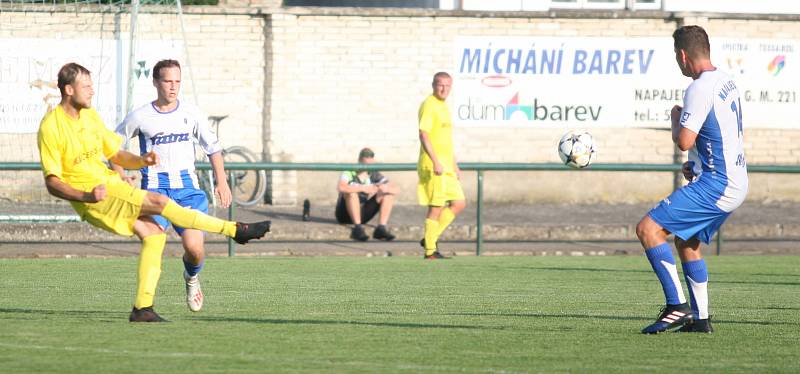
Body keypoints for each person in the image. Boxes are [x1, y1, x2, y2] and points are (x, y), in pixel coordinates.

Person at [37, 62, 271, 323]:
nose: (92, 91)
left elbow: (114, 153)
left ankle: (143, 308)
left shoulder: (90, 116)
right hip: (98, 194)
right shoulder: (51, 126)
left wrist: (140, 161)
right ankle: (235, 230)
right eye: (87, 86)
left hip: (141, 187)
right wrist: (87, 196)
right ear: (69, 89)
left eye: (177, 81)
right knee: (160, 202)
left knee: (154, 236)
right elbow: (52, 182)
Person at [636, 25, 748, 334]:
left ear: (683, 56)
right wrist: (697, 165)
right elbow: (721, 133)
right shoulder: (726, 82)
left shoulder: (699, 88)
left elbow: (684, 140)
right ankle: (701, 320)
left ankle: (676, 307)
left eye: (676, 57)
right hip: (732, 179)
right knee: (687, 241)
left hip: (719, 184)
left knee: (648, 229)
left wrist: (675, 118)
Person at [112, 59, 229, 314]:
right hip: (154, 193)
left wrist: (222, 182)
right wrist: (121, 178)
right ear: (155, 82)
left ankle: (191, 277)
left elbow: (213, 148)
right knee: (153, 243)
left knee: (195, 249)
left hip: (188, 192)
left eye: (177, 81)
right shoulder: (140, 116)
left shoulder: (191, 113)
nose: (173, 87)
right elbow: (112, 148)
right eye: (167, 81)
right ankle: (145, 306)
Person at [417, 72, 466, 260]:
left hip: (447, 167)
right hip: (433, 166)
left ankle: (430, 238)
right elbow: (424, 134)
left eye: (447, 85)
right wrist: (436, 161)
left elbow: (445, 140)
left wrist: (454, 164)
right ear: (433, 85)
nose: (444, 89)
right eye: (440, 85)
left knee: (459, 203)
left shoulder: (444, 106)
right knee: (436, 207)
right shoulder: (429, 105)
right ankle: (430, 251)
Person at [335, 147, 399, 241]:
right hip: (344, 214)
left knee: (388, 194)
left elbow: (396, 190)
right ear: (359, 160)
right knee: (352, 193)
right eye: (364, 163)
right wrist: (363, 188)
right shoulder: (349, 172)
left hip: (363, 213)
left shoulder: (374, 174)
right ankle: (357, 228)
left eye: (369, 163)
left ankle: (381, 228)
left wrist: (384, 188)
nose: (366, 166)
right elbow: (341, 187)